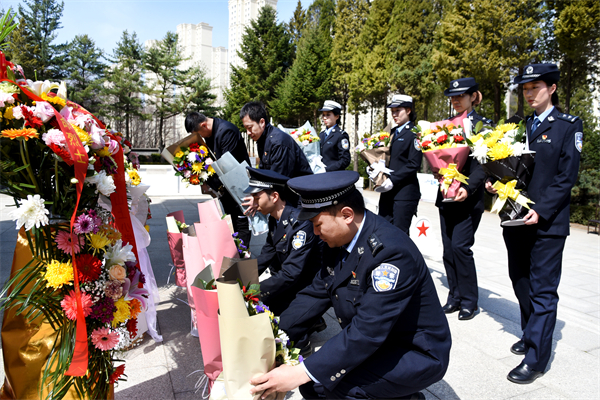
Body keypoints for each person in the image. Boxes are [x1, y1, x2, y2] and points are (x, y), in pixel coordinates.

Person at [249, 171, 451, 400]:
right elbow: (315, 294)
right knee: (312, 383)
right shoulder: (337, 240)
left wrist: (301, 371)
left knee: (321, 385)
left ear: (346, 215)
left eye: (317, 224)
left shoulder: (390, 254)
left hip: (412, 351)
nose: (315, 232)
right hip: (380, 340)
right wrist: (273, 339)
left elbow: (368, 329)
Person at [486, 63, 582, 384]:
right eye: (525, 89)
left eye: (535, 87)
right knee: (520, 279)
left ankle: (536, 358)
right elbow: (509, 168)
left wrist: (541, 209)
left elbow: (566, 177)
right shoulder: (517, 126)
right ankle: (531, 334)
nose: (529, 94)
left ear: (552, 88)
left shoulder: (568, 126)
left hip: (547, 222)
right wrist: (495, 183)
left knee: (542, 289)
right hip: (515, 219)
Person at [436, 78, 489, 321]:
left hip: (468, 197)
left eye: (461, 95)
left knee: (460, 247)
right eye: (452, 97)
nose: (456, 100)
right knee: (448, 249)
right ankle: (454, 296)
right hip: (446, 196)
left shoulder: (482, 126)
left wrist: (467, 187)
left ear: (473, 97)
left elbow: (483, 165)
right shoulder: (444, 126)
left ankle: (469, 301)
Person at [244, 167, 323, 316]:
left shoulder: (300, 223)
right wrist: (238, 278)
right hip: (290, 281)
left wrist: (254, 290)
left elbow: (291, 273)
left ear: (274, 196)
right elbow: (266, 255)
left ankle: (314, 320)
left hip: (305, 285)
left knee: (270, 319)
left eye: (256, 197)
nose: (253, 203)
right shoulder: (275, 220)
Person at [184, 112, 252, 246]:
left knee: (240, 222)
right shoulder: (210, 133)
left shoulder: (226, 131)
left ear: (204, 125)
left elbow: (227, 164)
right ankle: (234, 253)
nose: (200, 138)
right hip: (225, 189)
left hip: (238, 186)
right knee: (231, 222)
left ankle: (243, 256)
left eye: (199, 134)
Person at [377, 94, 422, 234]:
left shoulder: (415, 133)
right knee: (383, 230)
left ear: (408, 110)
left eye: (398, 111)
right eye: (392, 112)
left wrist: (393, 179)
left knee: (399, 234)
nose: (394, 115)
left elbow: (414, 164)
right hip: (387, 191)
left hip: (405, 192)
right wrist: (374, 167)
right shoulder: (391, 133)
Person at [240, 101, 313, 177]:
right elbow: (264, 171)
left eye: (249, 128)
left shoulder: (279, 142)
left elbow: (279, 179)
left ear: (262, 122)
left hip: (299, 186)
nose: (248, 132)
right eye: (246, 129)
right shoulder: (262, 139)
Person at [318, 100, 351, 171]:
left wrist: (327, 169)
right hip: (320, 175)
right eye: (323, 115)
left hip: (334, 176)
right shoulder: (321, 135)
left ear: (337, 116)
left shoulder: (341, 135)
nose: (324, 118)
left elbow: (345, 160)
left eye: (328, 114)